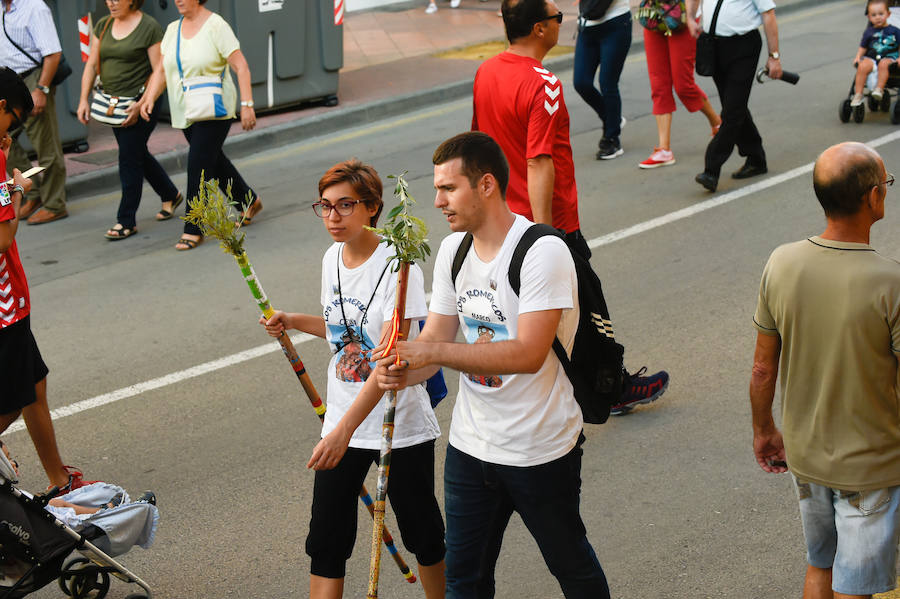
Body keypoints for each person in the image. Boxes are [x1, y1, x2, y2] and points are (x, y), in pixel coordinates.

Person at [376, 131, 609, 598]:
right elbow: (435, 340)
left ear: (486, 185)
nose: (437, 200)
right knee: (465, 581)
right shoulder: (453, 250)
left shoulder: (542, 251)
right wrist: (400, 368)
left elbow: (527, 353)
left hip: (538, 449)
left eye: (448, 188)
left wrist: (431, 354)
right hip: (471, 447)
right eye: (437, 188)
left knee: (572, 569)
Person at [259, 160, 445, 598]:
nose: (333, 217)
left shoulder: (400, 267)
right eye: (324, 207)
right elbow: (345, 332)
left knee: (423, 533)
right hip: (343, 419)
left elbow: (388, 364)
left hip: (396, 426)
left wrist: (341, 432)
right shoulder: (332, 258)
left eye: (345, 205)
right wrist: (295, 320)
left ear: (374, 207)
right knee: (326, 536)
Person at [472, 0, 669, 414]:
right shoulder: (542, 82)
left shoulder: (486, 72)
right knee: (588, 308)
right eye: (558, 17)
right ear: (540, 29)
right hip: (549, 223)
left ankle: (592, 385)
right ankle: (611, 389)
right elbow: (539, 160)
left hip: (504, 218)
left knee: (538, 309)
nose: (563, 22)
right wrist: (543, 237)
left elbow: (479, 148)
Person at [750, 141, 900, 599]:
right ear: (873, 198)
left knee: (821, 567)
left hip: (806, 456)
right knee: (856, 588)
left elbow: (761, 369)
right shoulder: (889, 282)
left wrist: (764, 431)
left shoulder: (782, 262)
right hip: (871, 466)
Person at [0, 67, 95, 494]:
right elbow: (3, 236)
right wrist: (16, 187)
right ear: (2, 108)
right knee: (16, 399)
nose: (15, 131)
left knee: (35, 385)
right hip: (4, 303)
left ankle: (58, 478)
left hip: (10, 300)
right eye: (14, 121)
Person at [140, 0, 262, 251]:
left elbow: (241, 66)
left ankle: (194, 227)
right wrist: (149, 97)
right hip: (186, 110)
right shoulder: (173, 28)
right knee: (213, 161)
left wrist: (247, 103)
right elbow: (162, 70)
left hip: (214, 108)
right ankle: (248, 200)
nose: (178, 0)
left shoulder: (216, 26)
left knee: (198, 165)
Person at [77, 0, 182, 241]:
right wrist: (83, 100)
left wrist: (143, 101)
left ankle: (126, 220)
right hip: (114, 106)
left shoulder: (149, 27)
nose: (111, 3)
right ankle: (170, 193)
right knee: (135, 153)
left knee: (128, 157)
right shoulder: (103, 25)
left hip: (143, 103)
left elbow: (159, 70)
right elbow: (92, 64)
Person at [686, 0, 782, 192]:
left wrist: (774, 57)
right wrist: (690, 17)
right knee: (734, 106)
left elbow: (768, 15)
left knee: (732, 111)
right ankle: (756, 158)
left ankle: (711, 169)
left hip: (743, 46)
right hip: (713, 45)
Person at [0, 0, 68, 225]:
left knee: (45, 145)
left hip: (33, 80)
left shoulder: (34, 7)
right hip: (9, 83)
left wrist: (41, 89)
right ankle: (34, 192)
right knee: (6, 141)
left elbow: (53, 53)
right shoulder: (2, 8)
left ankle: (54, 204)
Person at [638, 1, 721, 169]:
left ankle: (718, 124)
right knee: (658, 83)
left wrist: (691, 17)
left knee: (683, 86)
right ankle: (664, 150)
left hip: (682, 16)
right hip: (654, 15)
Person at [572, 0, 632, 160]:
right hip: (587, 25)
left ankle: (612, 139)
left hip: (616, 22)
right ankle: (613, 119)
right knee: (581, 82)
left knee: (608, 83)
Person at [851, 0, 900, 107]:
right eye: (874, 15)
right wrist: (858, 57)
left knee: (884, 64)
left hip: (889, 57)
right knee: (862, 66)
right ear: (869, 17)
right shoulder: (869, 32)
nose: (877, 17)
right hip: (872, 57)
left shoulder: (895, 30)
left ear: (888, 14)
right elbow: (863, 47)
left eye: (881, 14)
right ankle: (858, 94)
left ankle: (879, 89)